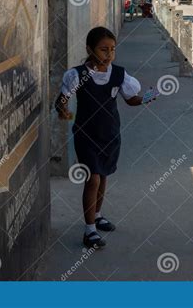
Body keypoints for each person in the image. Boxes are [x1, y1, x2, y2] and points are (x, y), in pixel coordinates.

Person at [55, 27, 149, 249]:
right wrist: (63, 110)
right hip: (86, 135)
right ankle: (90, 231)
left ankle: (96, 215)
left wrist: (148, 97)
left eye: (112, 50)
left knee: (103, 176)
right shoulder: (77, 75)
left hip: (110, 134)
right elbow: (62, 99)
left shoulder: (118, 74)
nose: (109, 54)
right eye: (103, 49)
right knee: (93, 178)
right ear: (90, 49)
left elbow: (130, 99)